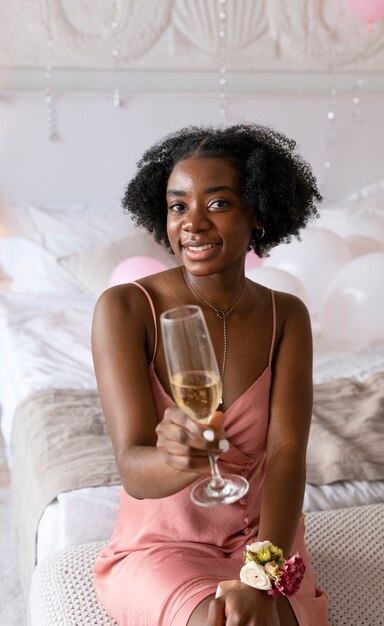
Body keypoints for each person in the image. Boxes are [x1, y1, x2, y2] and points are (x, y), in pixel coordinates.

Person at [92, 123, 329, 626]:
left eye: (218, 203)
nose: (192, 224)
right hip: (162, 546)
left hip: (264, 540)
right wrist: (179, 460)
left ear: (259, 214)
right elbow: (135, 471)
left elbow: (287, 456)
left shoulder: (286, 316)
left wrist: (261, 573)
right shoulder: (126, 309)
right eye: (179, 206)